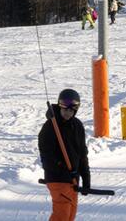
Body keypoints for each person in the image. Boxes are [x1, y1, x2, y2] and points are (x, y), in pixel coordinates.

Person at [38, 88, 91, 221]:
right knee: (62, 214)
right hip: (57, 178)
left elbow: (82, 154)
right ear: (59, 106)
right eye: (65, 109)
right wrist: (64, 170)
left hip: (73, 180)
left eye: (71, 110)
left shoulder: (77, 125)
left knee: (70, 215)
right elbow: (47, 156)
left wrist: (86, 179)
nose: (68, 112)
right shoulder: (51, 126)